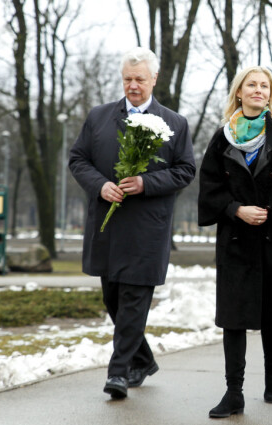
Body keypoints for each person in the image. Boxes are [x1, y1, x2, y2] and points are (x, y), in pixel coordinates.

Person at [69, 47, 196, 399]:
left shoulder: (175, 123)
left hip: (146, 230)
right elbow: (78, 159)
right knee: (113, 300)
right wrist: (100, 185)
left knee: (134, 301)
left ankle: (118, 374)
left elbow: (185, 170)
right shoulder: (98, 117)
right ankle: (143, 360)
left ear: (154, 79)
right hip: (107, 229)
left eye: (139, 79)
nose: (133, 86)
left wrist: (145, 183)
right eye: (127, 79)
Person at [198, 66, 272, 419]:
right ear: (239, 92)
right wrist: (236, 210)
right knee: (233, 316)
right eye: (252, 85)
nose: (259, 90)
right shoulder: (222, 138)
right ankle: (234, 392)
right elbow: (209, 189)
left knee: (271, 313)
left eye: (265, 86)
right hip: (235, 239)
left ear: (271, 94)